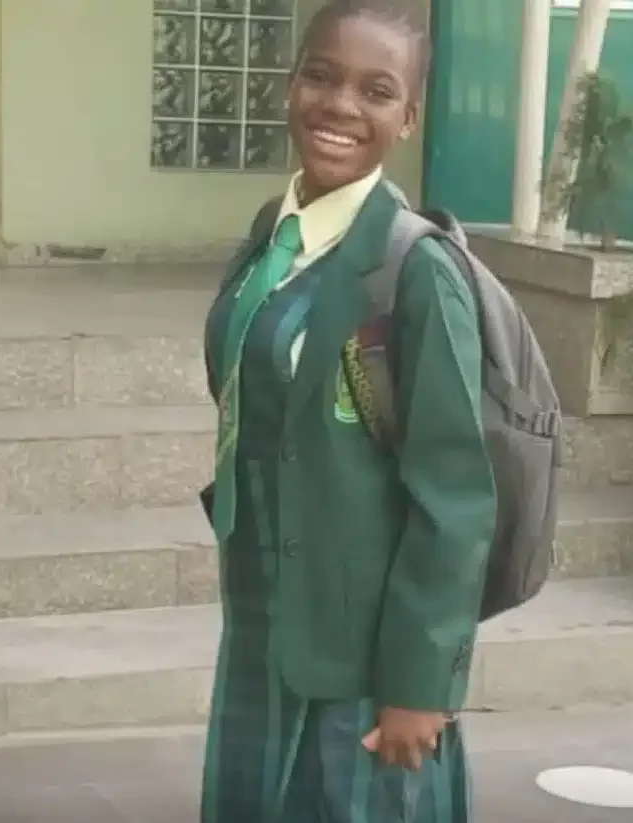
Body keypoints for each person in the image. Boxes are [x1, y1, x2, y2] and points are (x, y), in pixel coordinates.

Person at [199, 1, 497, 820]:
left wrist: (421, 685)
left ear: (408, 117)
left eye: (376, 91)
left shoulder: (414, 271)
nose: (340, 106)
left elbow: (456, 498)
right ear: (292, 84)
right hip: (263, 627)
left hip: (366, 666)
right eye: (321, 76)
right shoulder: (272, 237)